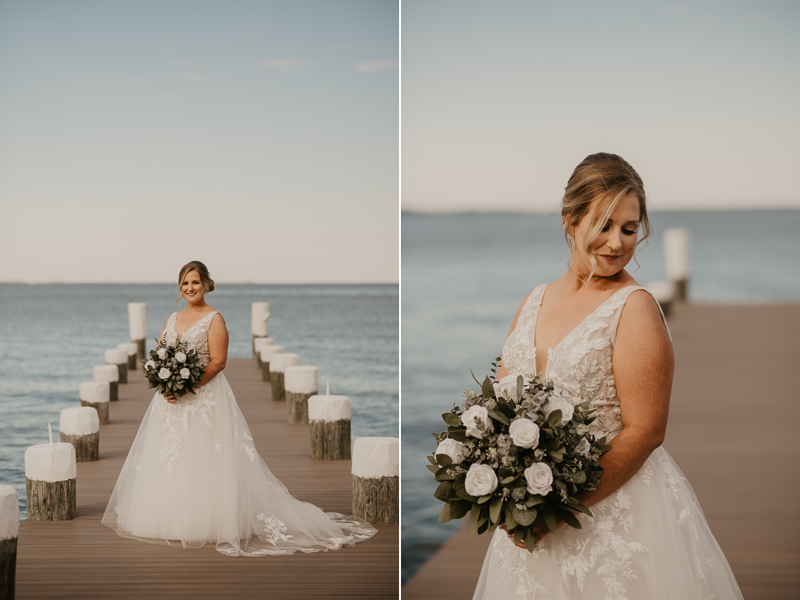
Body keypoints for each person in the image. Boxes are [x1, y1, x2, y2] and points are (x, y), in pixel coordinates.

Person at [472, 154, 743, 598]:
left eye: (629, 228)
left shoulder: (634, 308)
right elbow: (501, 407)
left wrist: (556, 509)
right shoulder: (533, 300)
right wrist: (503, 489)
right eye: (603, 224)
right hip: (527, 518)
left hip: (610, 514)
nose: (617, 243)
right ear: (570, 221)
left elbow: (647, 431)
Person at [102, 261, 377, 556]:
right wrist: (166, 386)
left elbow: (218, 362)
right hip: (170, 403)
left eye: (195, 282)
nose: (190, 288)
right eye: (185, 283)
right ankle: (170, 517)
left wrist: (186, 388)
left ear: (206, 284)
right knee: (171, 455)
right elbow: (160, 355)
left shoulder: (214, 319)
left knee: (204, 456)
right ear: (179, 289)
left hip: (203, 398)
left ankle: (208, 520)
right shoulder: (172, 318)